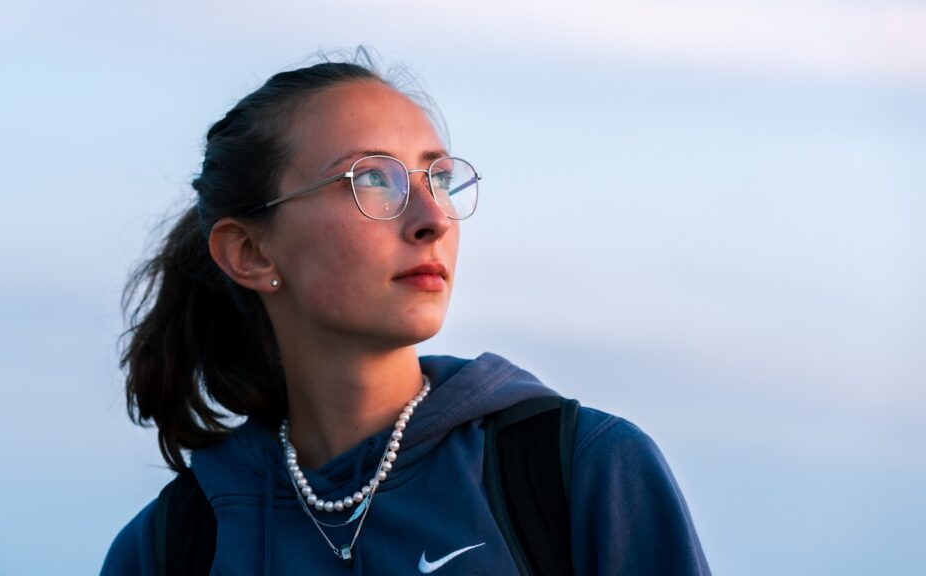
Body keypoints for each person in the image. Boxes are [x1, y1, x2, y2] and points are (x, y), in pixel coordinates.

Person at [101, 56, 711, 575]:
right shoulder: (172, 546)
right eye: (372, 179)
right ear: (251, 252)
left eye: (439, 178)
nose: (433, 218)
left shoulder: (582, 473)